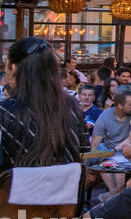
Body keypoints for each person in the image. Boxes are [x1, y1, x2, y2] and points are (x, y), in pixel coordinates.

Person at [0, 37, 88, 172]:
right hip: (65, 190)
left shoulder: (5, 112)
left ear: (14, 67)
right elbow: (84, 147)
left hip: (18, 190)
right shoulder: (72, 104)